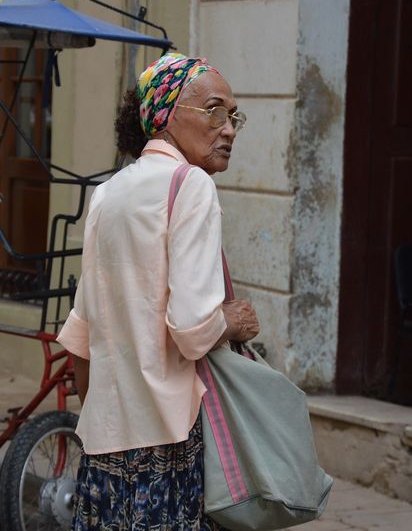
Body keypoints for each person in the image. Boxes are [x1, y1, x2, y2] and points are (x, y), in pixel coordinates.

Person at [56, 53, 261, 530]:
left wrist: (101, 418)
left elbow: (81, 332)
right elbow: (192, 331)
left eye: (233, 117)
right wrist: (234, 320)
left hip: (106, 439)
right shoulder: (190, 184)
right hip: (168, 439)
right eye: (214, 111)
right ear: (166, 116)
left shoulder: (108, 192)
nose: (228, 129)